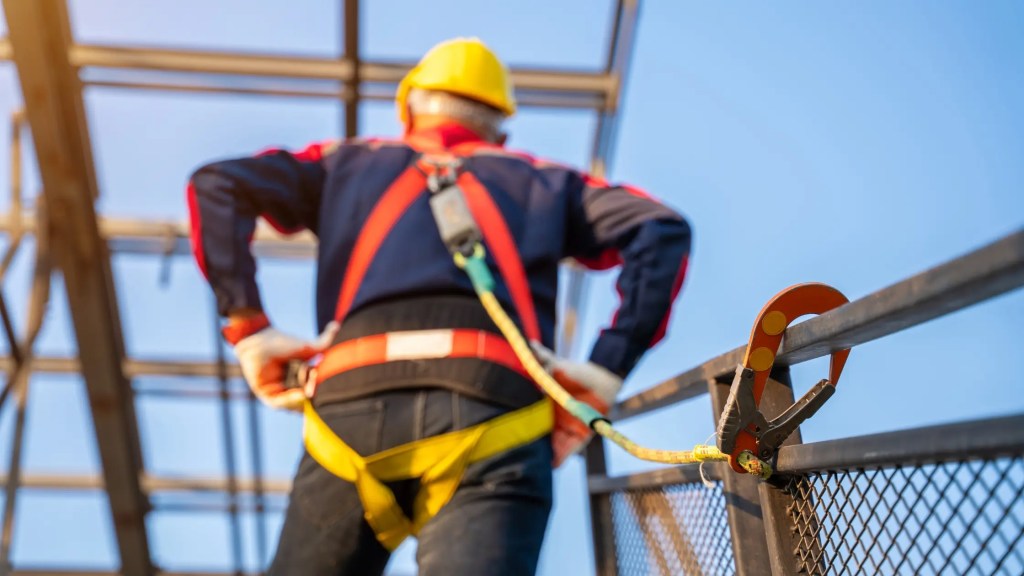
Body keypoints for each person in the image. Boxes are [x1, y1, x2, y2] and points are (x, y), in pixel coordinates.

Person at [187, 37, 691, 576]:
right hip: (494, 409)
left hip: (349, 407)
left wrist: (250, 326)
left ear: (409, 111)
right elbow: (659, 228)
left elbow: (216, 185)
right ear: (500, 128)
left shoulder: (345, 164)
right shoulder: (547, 181)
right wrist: (605, 368)